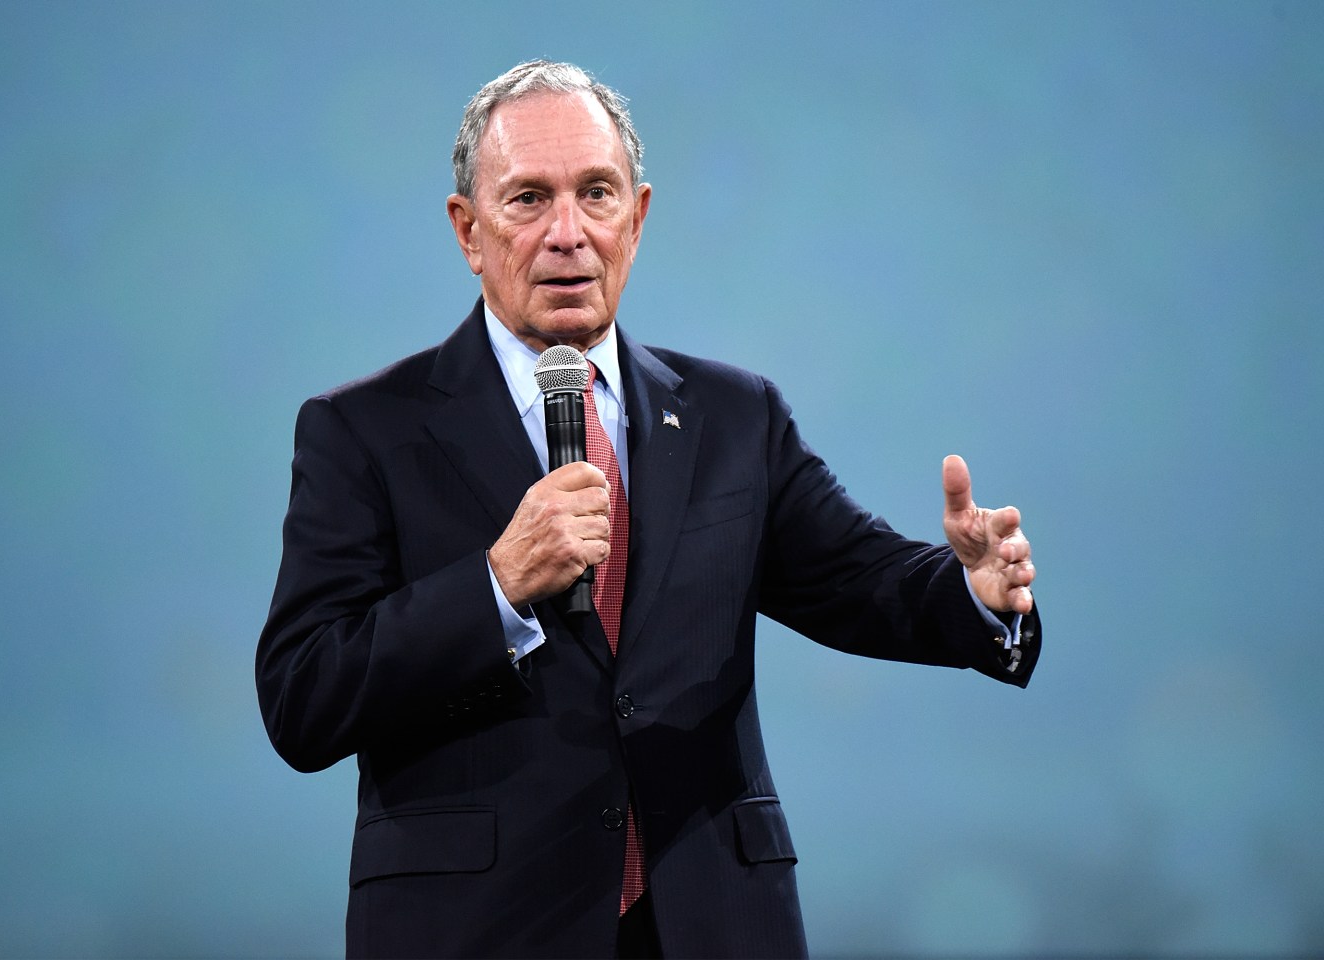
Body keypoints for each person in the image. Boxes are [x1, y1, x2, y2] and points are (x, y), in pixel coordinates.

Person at [256, 59, 1040, 959]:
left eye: (597, 193)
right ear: (467, 231)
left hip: (710, 921)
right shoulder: (364, 431)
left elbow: (861, 580)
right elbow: (304, 695)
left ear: (639, 215)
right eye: (527, 201)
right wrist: (498, 587)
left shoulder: (735, 415)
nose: (568, 233)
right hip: (479, 931)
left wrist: (974, 589)